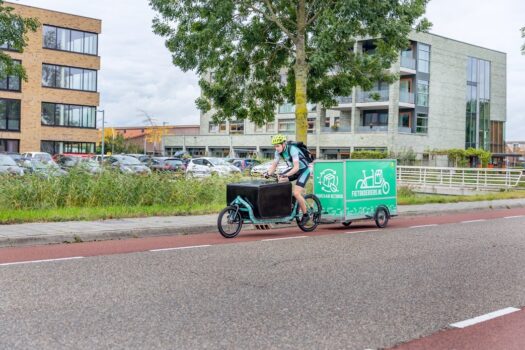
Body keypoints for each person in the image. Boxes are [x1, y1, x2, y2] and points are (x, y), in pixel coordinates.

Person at [265, 134, 311, 225]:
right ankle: (286, 209)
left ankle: (306, 215)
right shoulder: (277, 152)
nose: (276, 148)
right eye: (275, 146)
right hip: (294, 170)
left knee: (296, 193)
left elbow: (296, 168)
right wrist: (268, 173)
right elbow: (274, 165)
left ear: (283, 144)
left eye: (278, 146)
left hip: (303, 170)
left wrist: (286, 175)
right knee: (279, 181)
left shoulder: (292, 149)